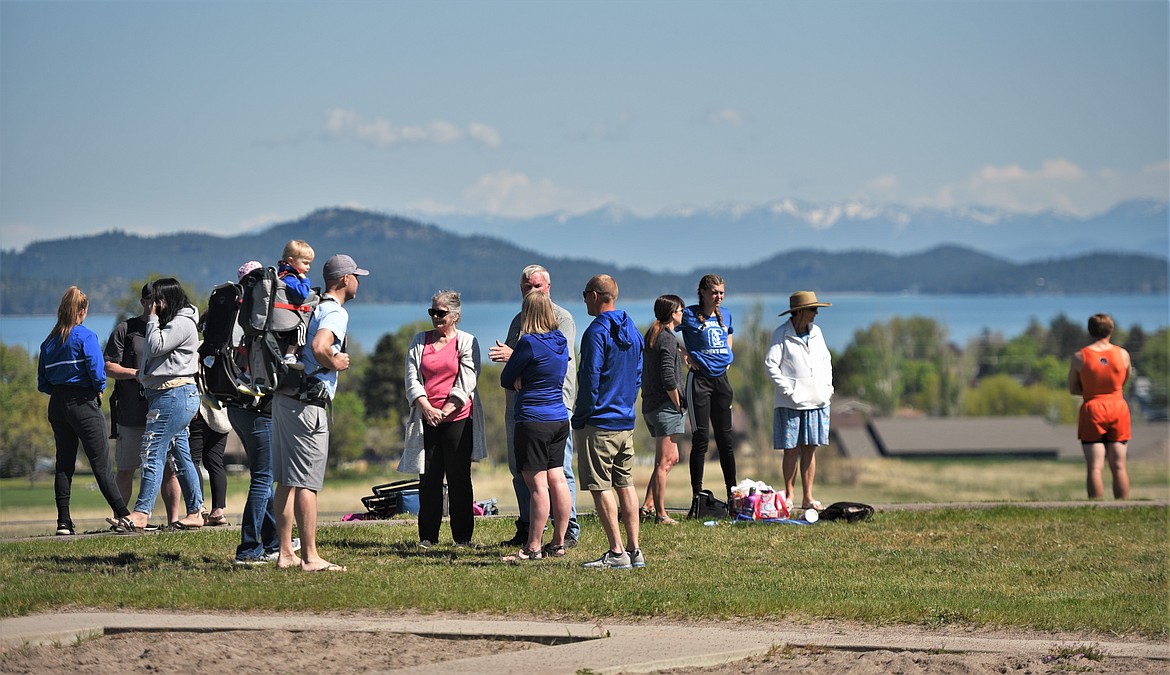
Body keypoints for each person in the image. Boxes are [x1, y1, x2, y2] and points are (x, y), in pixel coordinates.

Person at [273, 253, 368, 572]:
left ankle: (286, 553)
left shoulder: (310, 305)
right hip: (308, 404)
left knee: (285, 479)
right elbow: (319, 346)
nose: (358, 282)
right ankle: (311, 557)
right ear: (344, 280)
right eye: (356, 276)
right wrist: (334, 360)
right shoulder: (334, 312)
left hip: (284, 397)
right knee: (306, 482)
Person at [488, 264, 581, 548]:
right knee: (521, 470)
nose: (532, 292)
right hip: (520, 407)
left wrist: (514, 357)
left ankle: (565, 531)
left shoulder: (562, 318)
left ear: (548, 288)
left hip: (553, 404)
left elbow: (552, 358)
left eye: (537, 287)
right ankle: (529, 527)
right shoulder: (519, 321)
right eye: (527, 287)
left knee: (558, 472)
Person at [38, 286, 133, 535]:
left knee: (64, 464)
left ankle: (63, 522)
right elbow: (97, 369)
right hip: (83, 403)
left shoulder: (48, 343)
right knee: (101, 464)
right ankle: (124, 514)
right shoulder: (86, 337)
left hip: (57, 405)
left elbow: (42, 382)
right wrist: (99, 388)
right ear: (82, 310)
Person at [117, 278, 206, 531]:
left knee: (152, 451)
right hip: (169, 395)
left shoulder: (181, 322)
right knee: (181, 455)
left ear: (168, 299)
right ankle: (197, 511)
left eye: (157, 300)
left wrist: (153, 319)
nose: (152, 305)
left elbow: (155, 347)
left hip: (173, 395)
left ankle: (142, 513)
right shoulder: (175, 322)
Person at [401, 290, 487, 547]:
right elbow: (411, 377)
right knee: (429, 478)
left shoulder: (467, 341)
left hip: (458, 418)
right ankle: (428, 536)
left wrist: (447, 409)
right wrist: (426, 407)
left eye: (441, 313)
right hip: (427, 418)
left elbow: (468, 378)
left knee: (459, 477)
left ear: (455, 316)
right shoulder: (420, 341)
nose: (436, 317)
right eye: (432, 312)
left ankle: (462, 537)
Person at [573, 274, 645, 569]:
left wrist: (580, 416)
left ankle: (616, 553)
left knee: (600, 486)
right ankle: (634, 549)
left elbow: (589, 379)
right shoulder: (634, 331)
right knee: (625, 484)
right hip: (625, 421)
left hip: (599, 422)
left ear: (593, 295)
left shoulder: (595, 333)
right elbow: (638, 375)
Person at [232, 261, 300, 564]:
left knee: (266, 474)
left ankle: (273, 542)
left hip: (236, 404)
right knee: (262, 478)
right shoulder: (263, 322)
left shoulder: (234, 313)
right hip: (260, 407)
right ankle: (248, 549)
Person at [498, 291, 573, 561]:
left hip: (533, 419)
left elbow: (506, 377)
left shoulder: (528, 343)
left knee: (537, 485)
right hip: (559, 418)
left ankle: (533, 546)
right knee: (558, 479)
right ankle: (559, 541)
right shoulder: (561, 341)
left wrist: (520, 376)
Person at [104, 283, 182, 526]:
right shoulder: (126, 329)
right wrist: (135, 373)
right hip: (131, 411)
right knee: (127, 468)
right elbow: (108, 366)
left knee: (170, 469)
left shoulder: (170, 328)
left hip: (163, 410)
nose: (154, 305)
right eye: (149, 300)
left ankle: (174, 520)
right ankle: (122, 518)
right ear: (142, 302)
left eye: (158, 301)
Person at [765, 291, 834, 512]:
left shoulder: (817, 333)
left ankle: (808, 497)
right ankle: (789, 495)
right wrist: (788, 390)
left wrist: (827, 389)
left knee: (810, 449)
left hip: (817, 401)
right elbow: (770, 365)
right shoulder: (781, 334)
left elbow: (826, 361)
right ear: (800, 311)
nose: (816, 314)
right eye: (813, 309)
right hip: (790, 403)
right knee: (791, 450)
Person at [676, 273, 737, 503]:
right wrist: (683, 353)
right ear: (702, 292)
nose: (718, 296)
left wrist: (728, 356)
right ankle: (697, 495)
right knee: (701, 437)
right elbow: (665, 330)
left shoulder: (727, 314)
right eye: (714, 292)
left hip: (721, 381)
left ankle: (733, 493)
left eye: (721, 292)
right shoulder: (689, 314)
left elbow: (729, 335)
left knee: (725, 439)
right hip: (699, 380)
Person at [1068, 313, 1132, 500]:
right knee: (1119, 465)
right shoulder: (1122, 354)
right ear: (1111, 330)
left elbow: (1073, 388)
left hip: (1093, 408)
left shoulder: (1080, 357)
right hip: (1118, 407)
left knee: (1095, 466)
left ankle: (1096, 506)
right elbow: (1124, 381)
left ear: (1090, 331)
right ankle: (1123, 506)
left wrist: (1091, 392)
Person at [638, 294, 687, 526]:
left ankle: (648, 505)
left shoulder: (655, 336)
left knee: (672, 458)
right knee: (663, 462)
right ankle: (661, 514)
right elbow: (668, 378)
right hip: (665, 407)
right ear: (672, 313)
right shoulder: (666, 339)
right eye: (680, 310)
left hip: (651, 405)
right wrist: (678, 403)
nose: (683, 314)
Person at [277, 239, 315, 369]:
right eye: (305, 263)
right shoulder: (289, 277)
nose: (308, 267)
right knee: (302, 327)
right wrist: (305, 280)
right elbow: (302, 294)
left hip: (279, 317)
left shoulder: (281, 274)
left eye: (309, 264)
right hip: (287, 321)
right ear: (291, 261)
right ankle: (290, 355)